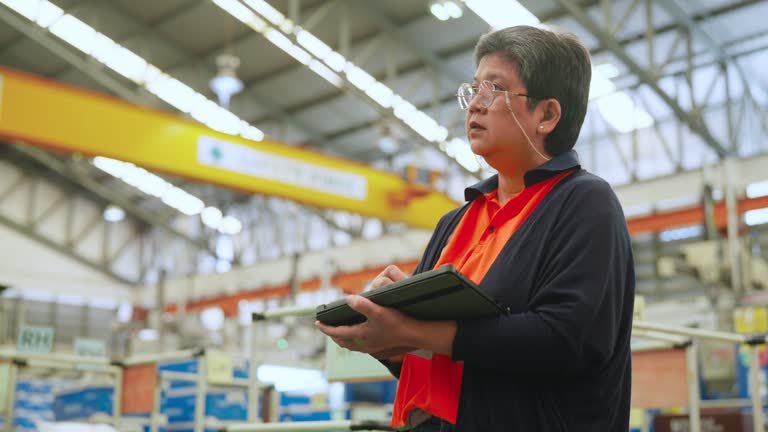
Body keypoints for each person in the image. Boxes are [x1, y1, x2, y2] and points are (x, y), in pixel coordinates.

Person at [316, 25, 634, 432]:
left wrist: (413, 329)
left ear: (547, 115)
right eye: (473, 89)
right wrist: (387, 336)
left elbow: (567, 339)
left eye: (494, 90)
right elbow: (443, 363)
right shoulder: (458, 221)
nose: (474, 106)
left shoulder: (584, 201)